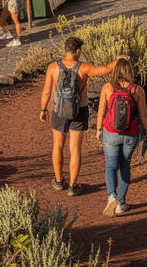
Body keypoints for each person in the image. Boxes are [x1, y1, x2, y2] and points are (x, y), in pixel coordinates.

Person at [39, 37, 119, 196]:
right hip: (79, 110)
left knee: (58, 145)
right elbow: (106, 69)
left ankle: (58, 180)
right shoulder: (84, 68)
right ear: (77, 51)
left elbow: (47, 91)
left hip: (59, 110)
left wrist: (43, 109)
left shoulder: (53, 67)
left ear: (65, 49)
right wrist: (118, 60)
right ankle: (73, 186)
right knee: (75, 148)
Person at [95, 57, 147, 217]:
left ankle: (111, 196)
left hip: (111, 133)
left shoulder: (108, 88)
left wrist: (99, 129)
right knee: (125, 165)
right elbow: (143, 114)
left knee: (111, 166)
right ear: (130, 71)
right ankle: (120, 203)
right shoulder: (137, 90)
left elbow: (101, 112)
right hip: (130, 133)